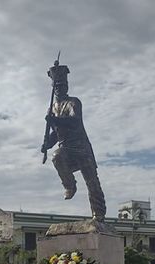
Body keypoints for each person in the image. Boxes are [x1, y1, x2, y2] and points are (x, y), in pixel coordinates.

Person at [41, 61, 106, 221]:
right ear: (53, 88)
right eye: (57, 86)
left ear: (67, 87)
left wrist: (54, 121)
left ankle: (98, 214)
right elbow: (56, 134)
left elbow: (74, 121)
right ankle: (69, 185)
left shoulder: (74, 102)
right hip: (66, 149)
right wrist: (47, 144)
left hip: (81, 148)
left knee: (92, 182)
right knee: (56, 156)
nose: (60, 89)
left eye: (62, 85)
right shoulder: (52, 108)